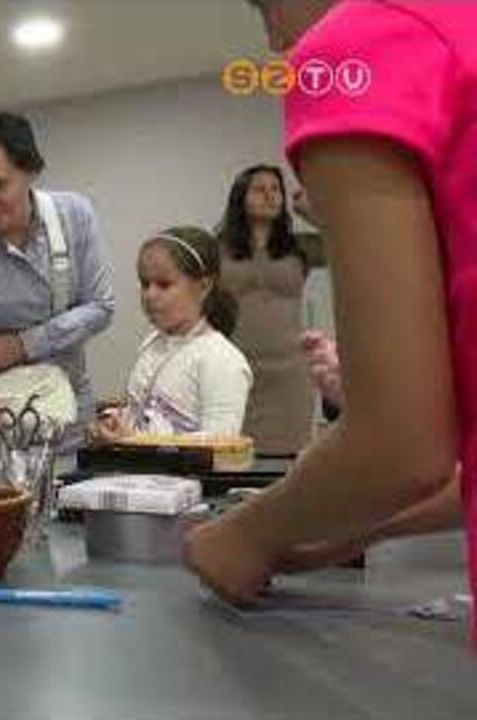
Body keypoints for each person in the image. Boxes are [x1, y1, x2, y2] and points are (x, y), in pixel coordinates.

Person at [186, 1, 476, 642]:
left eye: (264, 7)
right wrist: (341, 530)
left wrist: (243, 537)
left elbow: (401, 448)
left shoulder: (356, 49)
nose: (274, 45)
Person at [0, 111, 114, 442]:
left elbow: (101, 307)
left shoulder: (75, 216)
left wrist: (24, 344)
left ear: (30, 171)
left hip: (71, 420)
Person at [93, 227, 252, 442]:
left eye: (164, 285)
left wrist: (135, 440)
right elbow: (146, 415)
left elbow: (221, 443)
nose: (150, 295)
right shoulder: (152, 343)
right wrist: (115, 422)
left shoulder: (221, 359)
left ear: (204, 287)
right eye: (145, 284)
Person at [216, 164, 326, 454]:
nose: (270, 195)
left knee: (290, 460)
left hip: (290, 372)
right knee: (233, 457)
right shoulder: (217, 249)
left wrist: (313, 212)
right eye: (259, 189)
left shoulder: (298, 247)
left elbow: (349, 241)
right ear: (241, 197)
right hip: (235, 369)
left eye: (276, 189)